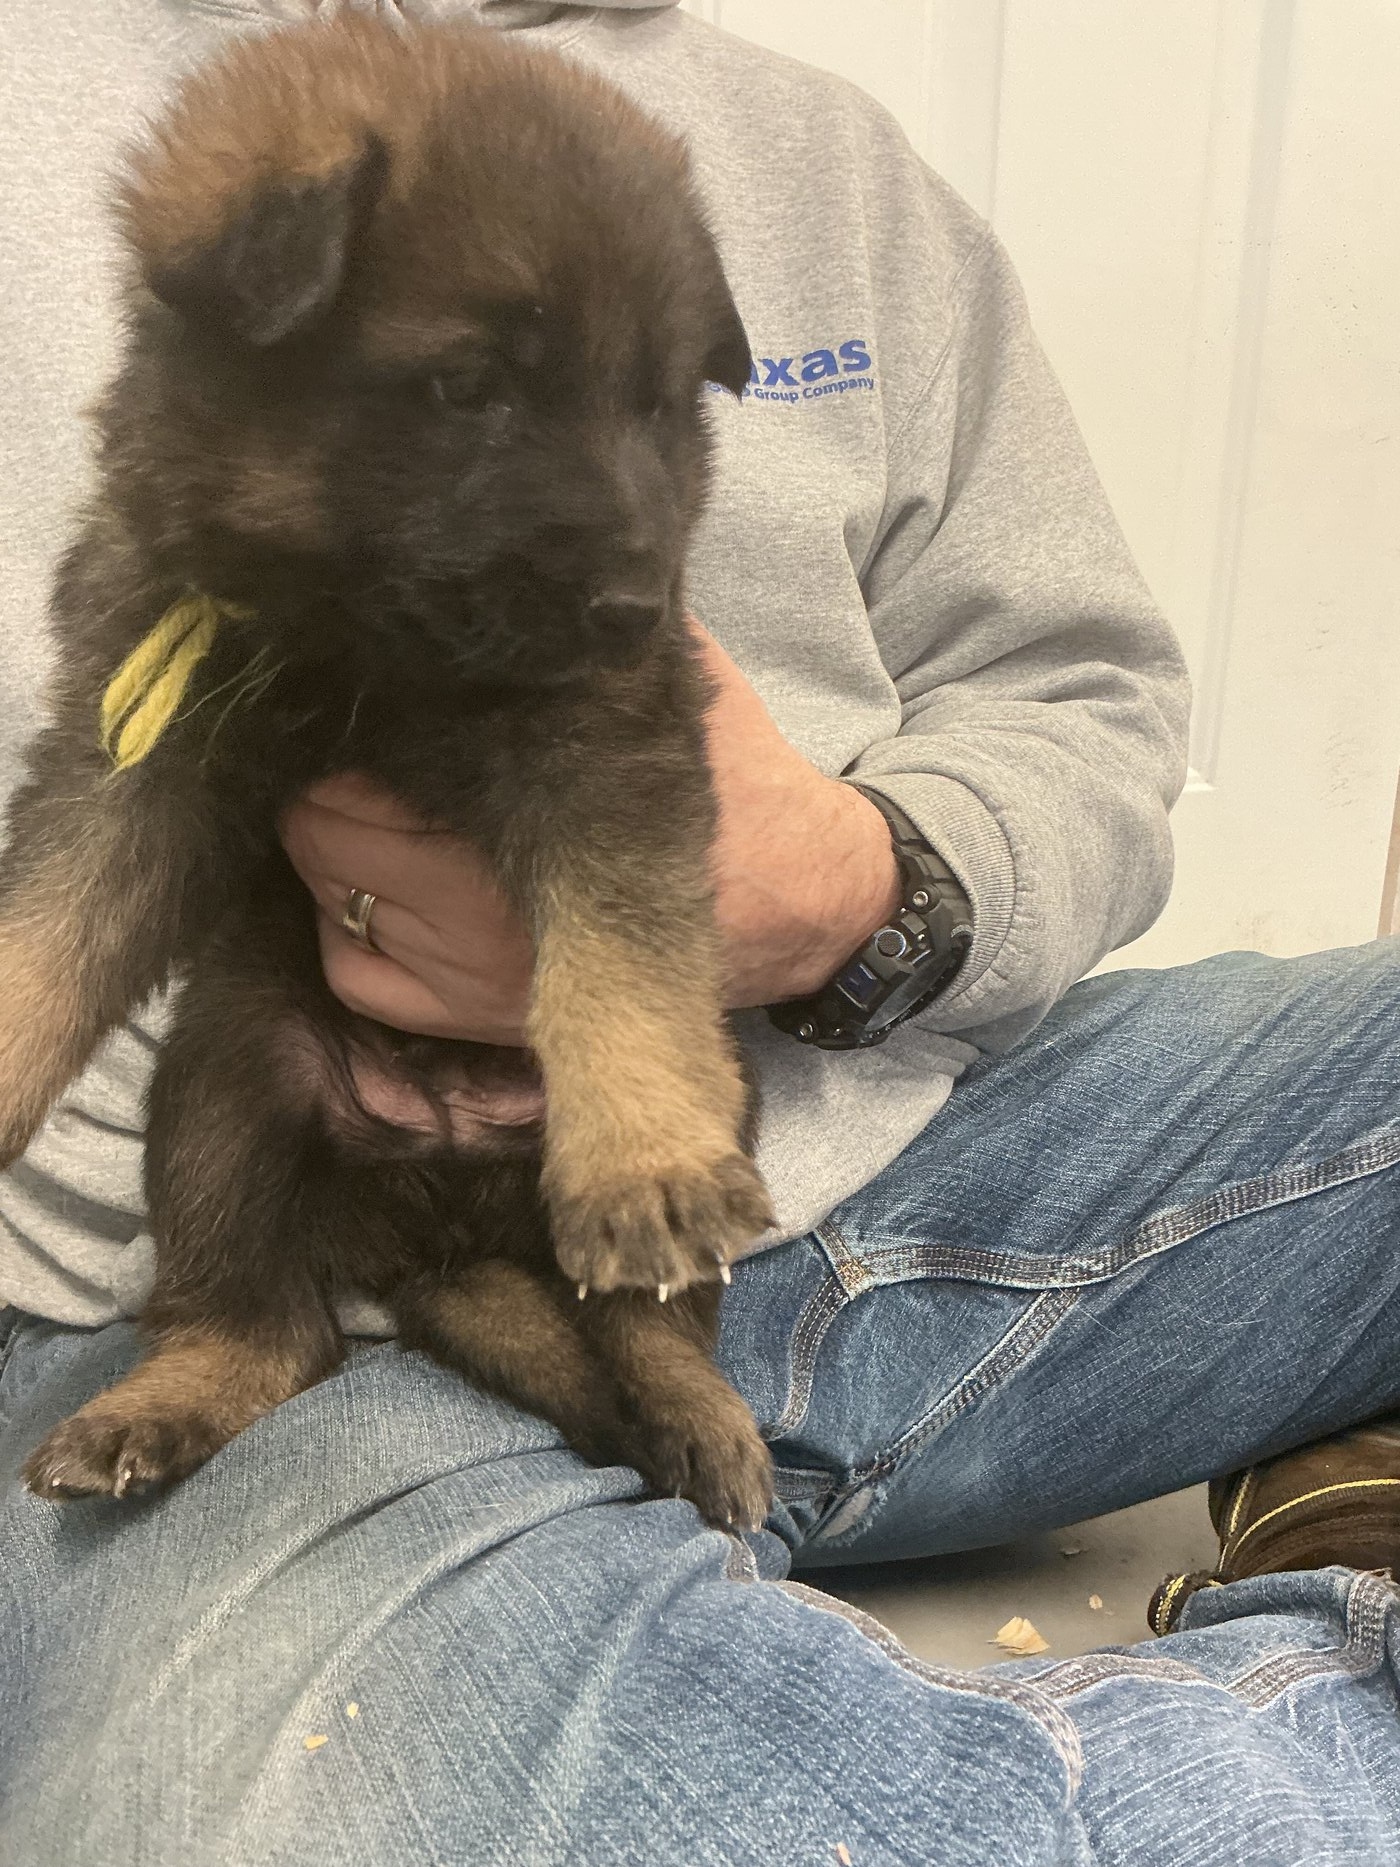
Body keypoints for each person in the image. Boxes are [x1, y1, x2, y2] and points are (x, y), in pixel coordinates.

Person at [1, 2, 1396, 1861]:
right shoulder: (166, 157)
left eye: (664, 407)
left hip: (879, 1155)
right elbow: (92, 842)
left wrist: (863, 887)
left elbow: (1081, 694)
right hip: (265, 1283)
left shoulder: (804, 160)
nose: (624, 533)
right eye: (470, 393)